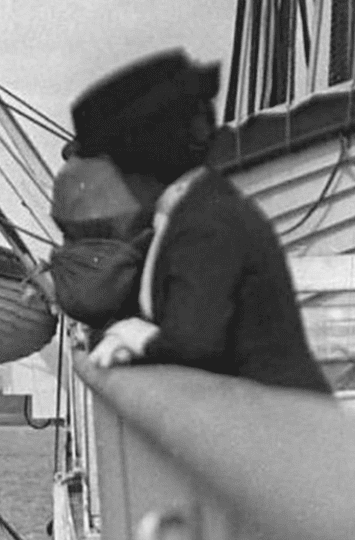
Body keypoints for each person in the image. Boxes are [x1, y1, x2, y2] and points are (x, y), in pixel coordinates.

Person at [61, 49, 331, 395]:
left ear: (140, 156)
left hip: (284, 427)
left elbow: (196, 345)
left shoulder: (207, 223)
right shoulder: (184, 215)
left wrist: (135, 337)